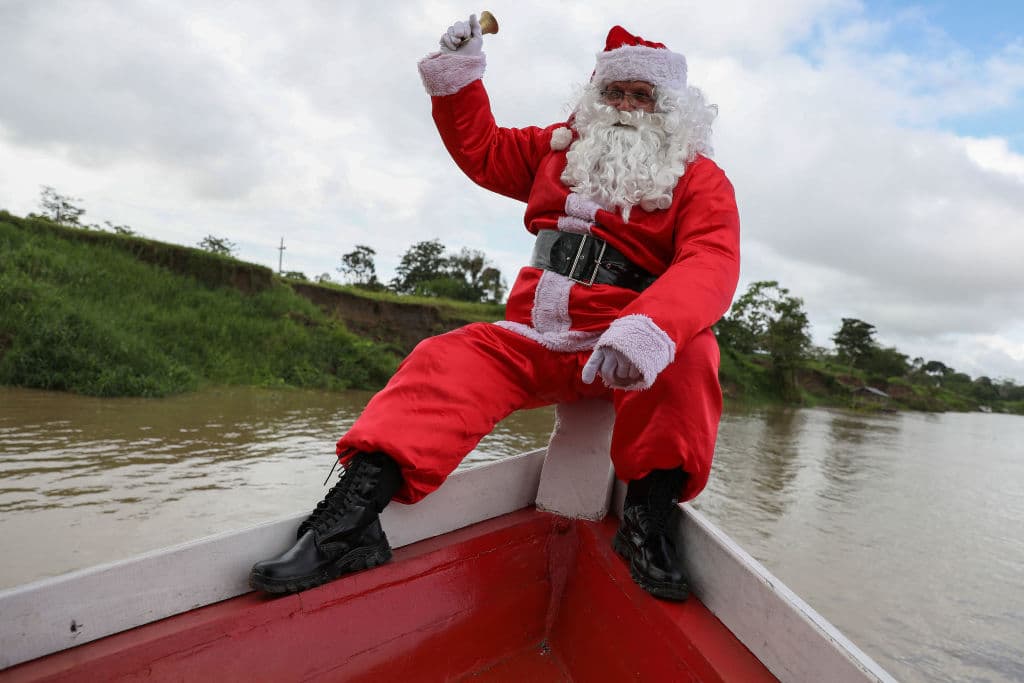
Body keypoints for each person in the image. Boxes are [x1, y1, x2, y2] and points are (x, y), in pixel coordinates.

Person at [250, 18, 740, 602]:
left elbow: (711, 259)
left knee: (691, 356)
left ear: (668, 108)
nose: (625, 106)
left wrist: (649, 328)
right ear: (595, 94)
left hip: (625, 344)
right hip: (536, 331)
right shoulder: (556, 149)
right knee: (444, 359)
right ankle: (348, 524)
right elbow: (481, 149)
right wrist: (461, 76)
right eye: (614, 92)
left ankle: (647, 524)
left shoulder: (701, 178)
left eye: (641, 95)